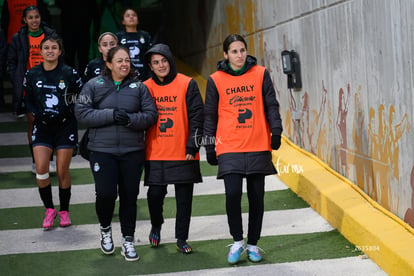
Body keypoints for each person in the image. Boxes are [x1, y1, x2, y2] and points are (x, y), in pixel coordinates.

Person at [203, 34, 283, 264]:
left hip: (257, 143)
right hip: (229, 145)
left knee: (257, 197)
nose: (240, 55)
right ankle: (237, 241)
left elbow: (271, 104)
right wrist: (209, 145)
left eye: (242, 50)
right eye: (234, 51)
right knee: (233, 194)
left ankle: (253, 244)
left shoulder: (260, 74)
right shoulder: (215, 80)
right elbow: (210, 115)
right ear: (225, 55)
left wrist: (275, 130)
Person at [75, 46, 158, 261]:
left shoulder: (139, 87)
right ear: (109, 64)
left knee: (129, 196)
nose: (124, 64)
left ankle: (128, 240)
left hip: (132, 152)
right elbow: (82, 113)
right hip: (102, 151)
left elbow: (151, 115)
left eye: (127, 60)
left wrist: (130, 120)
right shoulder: (93, 85)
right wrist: (112, 115)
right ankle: (105, 231)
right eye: (119, 60)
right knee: (106, 194)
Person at [143, 43, 204, 254]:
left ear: (170, 60)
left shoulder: (188, 84)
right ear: (150, 66)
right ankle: (156, 224)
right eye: (156, 63)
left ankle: (181, 239)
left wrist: (192, 145)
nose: (161, 65)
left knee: (184, 199)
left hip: (183, 151)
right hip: (156, 151)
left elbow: (198, 116)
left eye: (164, 60)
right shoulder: (145, 87)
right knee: (155, 194)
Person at [23, 35, 83, 230]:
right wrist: (37, 113)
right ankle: (49, 209)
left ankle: (64, 211)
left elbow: (80, 95)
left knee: (62, 170)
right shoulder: (32, 74)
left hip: (65, 126)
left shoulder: (69, 73)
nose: (50, 50)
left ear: (59, 51)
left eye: (54, 47)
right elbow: (28, 99)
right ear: (40, 52)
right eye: (46, 47)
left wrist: (68, 108)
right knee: (41, 169)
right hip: (42, 126)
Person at [7, 5, 57, 173]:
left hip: (50, 85)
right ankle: (37, 161)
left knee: (49, 123)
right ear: (24, 20)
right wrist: (17, 81)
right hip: (29, 87)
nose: (34, 20)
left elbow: (60, 57)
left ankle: (49, 159)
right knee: (34, 124)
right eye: (31, 17)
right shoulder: (18, 37)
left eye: (37, 17)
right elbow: (12, 62)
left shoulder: (51, 35)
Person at [56, 0, 100, 74]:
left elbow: (96, 13)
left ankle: (83, 79)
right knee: (68, 57)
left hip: (84, 31)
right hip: (68, 31)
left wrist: (96, 30)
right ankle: (70, 78)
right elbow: (59, 4)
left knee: (83, 58)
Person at [116, 8, 152, 81]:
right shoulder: (118, 36)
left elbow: (150, 54)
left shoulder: (144, 35)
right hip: (124, 74)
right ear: (123, 21)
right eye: (128, 16)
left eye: (134, 15)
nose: (131, 17)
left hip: (143, 74)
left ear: (138, 20)